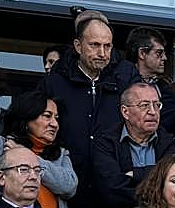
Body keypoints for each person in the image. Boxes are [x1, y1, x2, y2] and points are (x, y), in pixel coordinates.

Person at [41, 11, 136, 196]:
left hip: (111, 188)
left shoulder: (124, 81)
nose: (102, 53)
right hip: (66, 186)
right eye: (94, 45)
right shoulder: (54, 83)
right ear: (78, 46)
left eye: (107, 46)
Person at [87, 82, 175, 208]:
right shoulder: (106, 143)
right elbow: (110, 190)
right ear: (125, 112)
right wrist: (157, 186)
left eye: (157, 105)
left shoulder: (172, 144)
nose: (153, 112)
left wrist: (135, 175)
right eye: (144, 105)